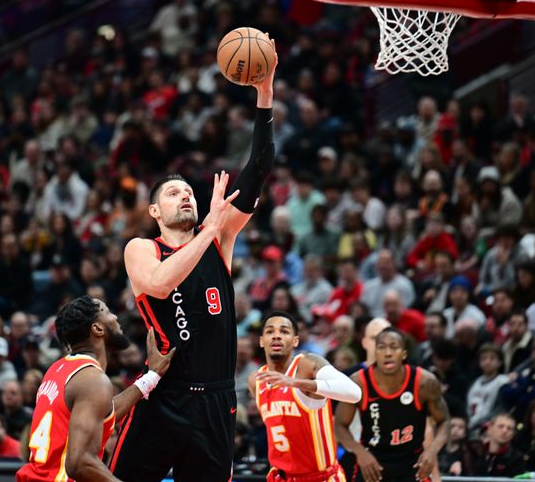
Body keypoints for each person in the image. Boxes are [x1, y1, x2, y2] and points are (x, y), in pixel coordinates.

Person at [110, 40, 278, 482]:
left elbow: (259, 166)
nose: (185, 195)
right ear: (154, 213)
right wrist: (209, 229)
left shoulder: (219, 235)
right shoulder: (141, 248)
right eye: (172, 193)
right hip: (164, 396)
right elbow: (161, 285)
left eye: (188, 191)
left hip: (216, 401)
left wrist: (265, 92)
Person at [16, 296, 174, 481]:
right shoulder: (93, 380)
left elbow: (102, 413)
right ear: (97, 329)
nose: (115, 317)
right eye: (107, 312)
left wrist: (151, 377)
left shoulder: (58, 370)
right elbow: (79, 463)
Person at [248, 311, 361, 481]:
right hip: (281, 476)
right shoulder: (256, 380)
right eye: (270, 331)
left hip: (320, 477)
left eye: (284, 331)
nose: (276, 336)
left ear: (295, 341)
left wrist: (294, 382)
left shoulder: (307, 365)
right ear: (262, 341)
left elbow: (354, 393)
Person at [334, 327, 451, 482]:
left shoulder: (424, 382)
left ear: (404, 353)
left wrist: (432, 452)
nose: (387, 353)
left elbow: (445, 421)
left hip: (412, 462)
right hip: (373, 461)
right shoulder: (359, 382)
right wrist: (360, 452)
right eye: (381, 347)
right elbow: (340, 425)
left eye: (394, 347)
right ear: (375, 353)